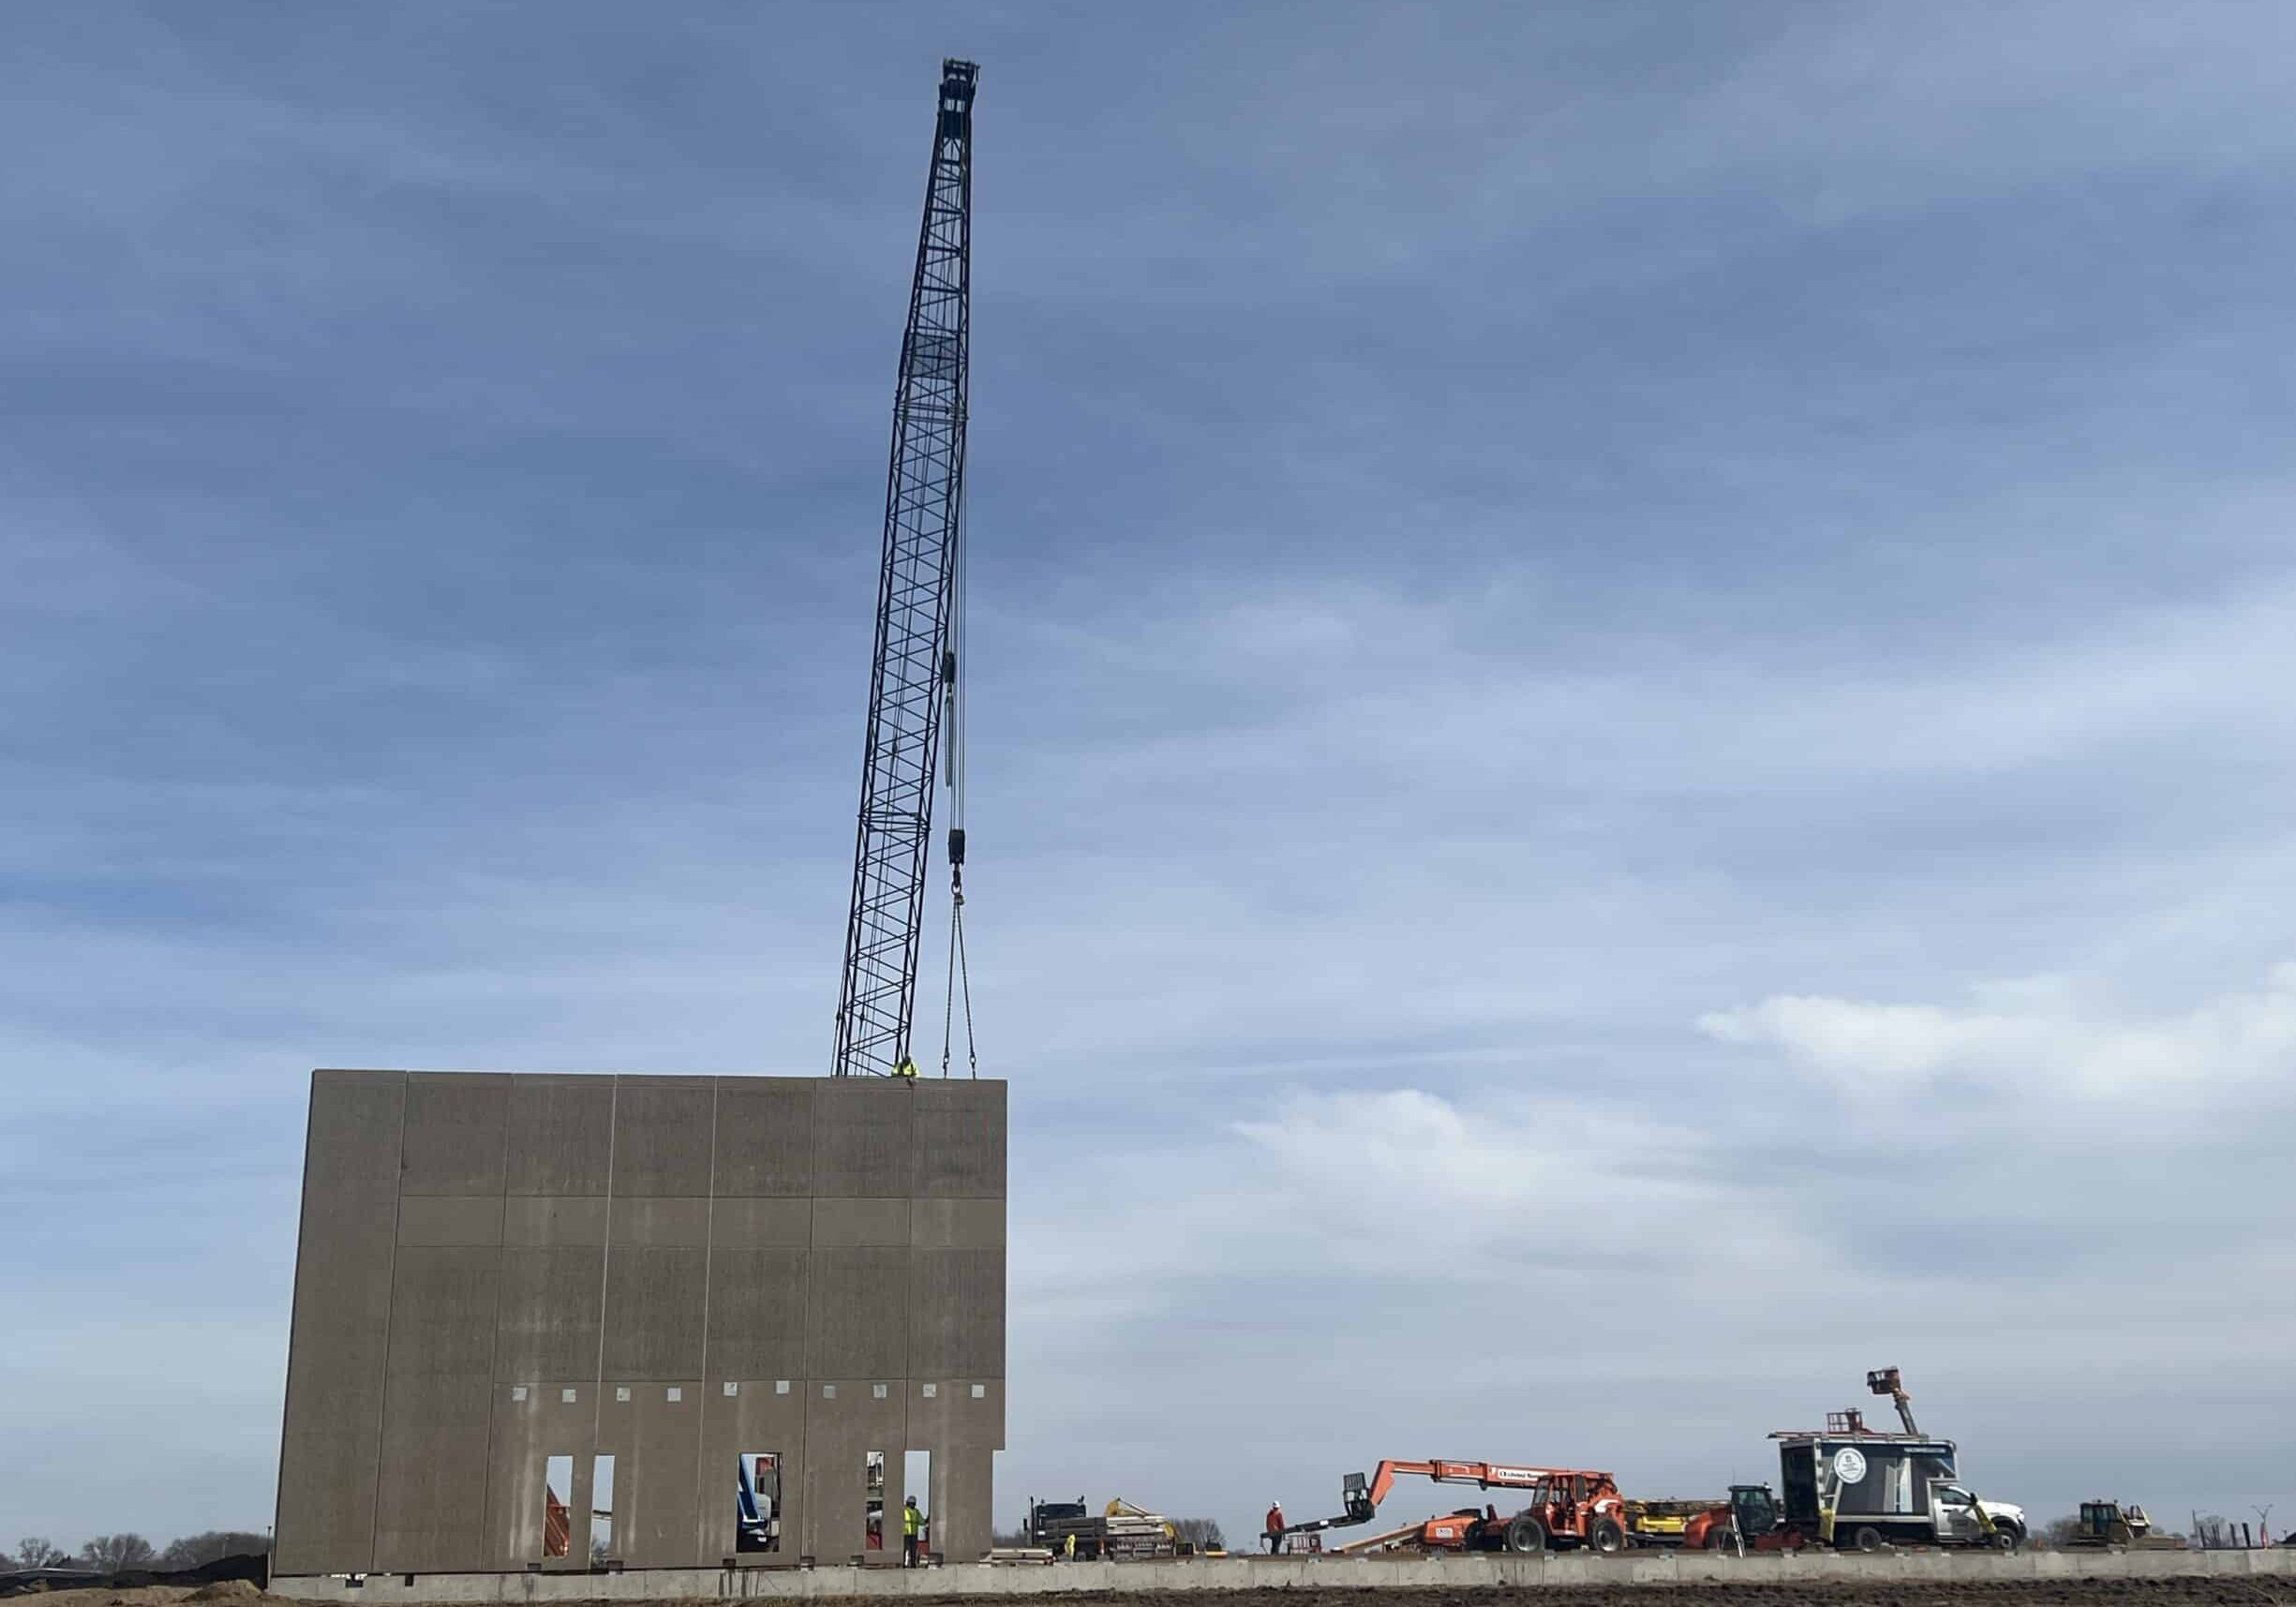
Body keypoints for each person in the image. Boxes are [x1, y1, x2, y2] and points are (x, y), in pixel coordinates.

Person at [902, 1494, 925, 1568]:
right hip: (905, 1533)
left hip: (913, 1534)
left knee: (913, 1550)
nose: (912, 1505)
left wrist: (927, 1520)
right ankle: (904, 1564)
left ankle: (913, 1564)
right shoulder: (904, 1511)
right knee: (905, 1549)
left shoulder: (916, 1512)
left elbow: (922, 1522)